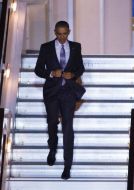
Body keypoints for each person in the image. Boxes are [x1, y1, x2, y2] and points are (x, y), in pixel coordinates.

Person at [34, 21, 85, 180]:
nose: (62, 37)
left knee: (68, 128)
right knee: (51, 123)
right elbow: (37, 70)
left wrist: (74, 75)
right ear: (55, 32)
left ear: (69, 31)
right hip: (51, 92)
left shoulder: (76, 47)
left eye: (65, 33)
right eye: (59, 34)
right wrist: (50, 73)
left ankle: (67, 166)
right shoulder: (46, 47)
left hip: (68, 92)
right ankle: (53, 148)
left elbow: (80, 67)